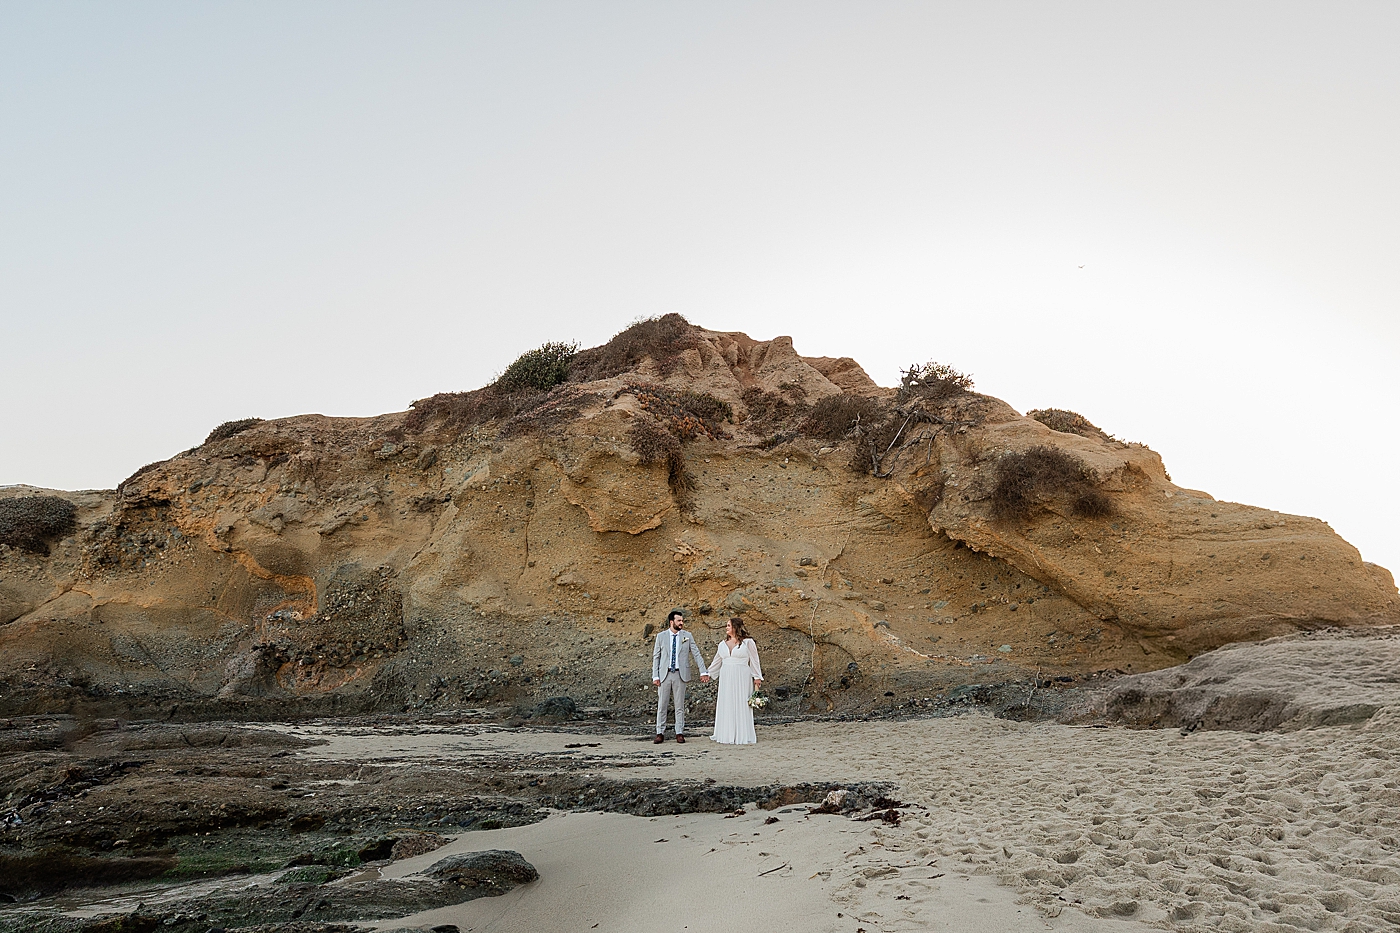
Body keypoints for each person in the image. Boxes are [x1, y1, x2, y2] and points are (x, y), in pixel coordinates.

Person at [652, 609, 709, 744]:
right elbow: (656, 657)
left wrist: (703, 671)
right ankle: (660, 732)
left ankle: (679, 732)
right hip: (664, 674)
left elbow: (696, 653)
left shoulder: (687, 636)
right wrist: (655, 675)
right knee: (662, 704)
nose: (681, 623)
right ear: (672, 622)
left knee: (679, 705)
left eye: (682, 620)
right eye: (679, 620)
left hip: (680, 674)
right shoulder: (661, 636)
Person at [707, 617, 763, 745]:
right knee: (727, 702)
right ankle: (727, 734)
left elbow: (754, 660)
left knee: (742, 702)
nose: (726, 628)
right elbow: (717, 661)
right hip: (726, 676)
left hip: (742, 675)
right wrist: (707, 674)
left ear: (735, 627)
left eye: (728, 625)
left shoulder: (748, 643)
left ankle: (743, 734)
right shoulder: (722, 644)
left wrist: (757, 677)